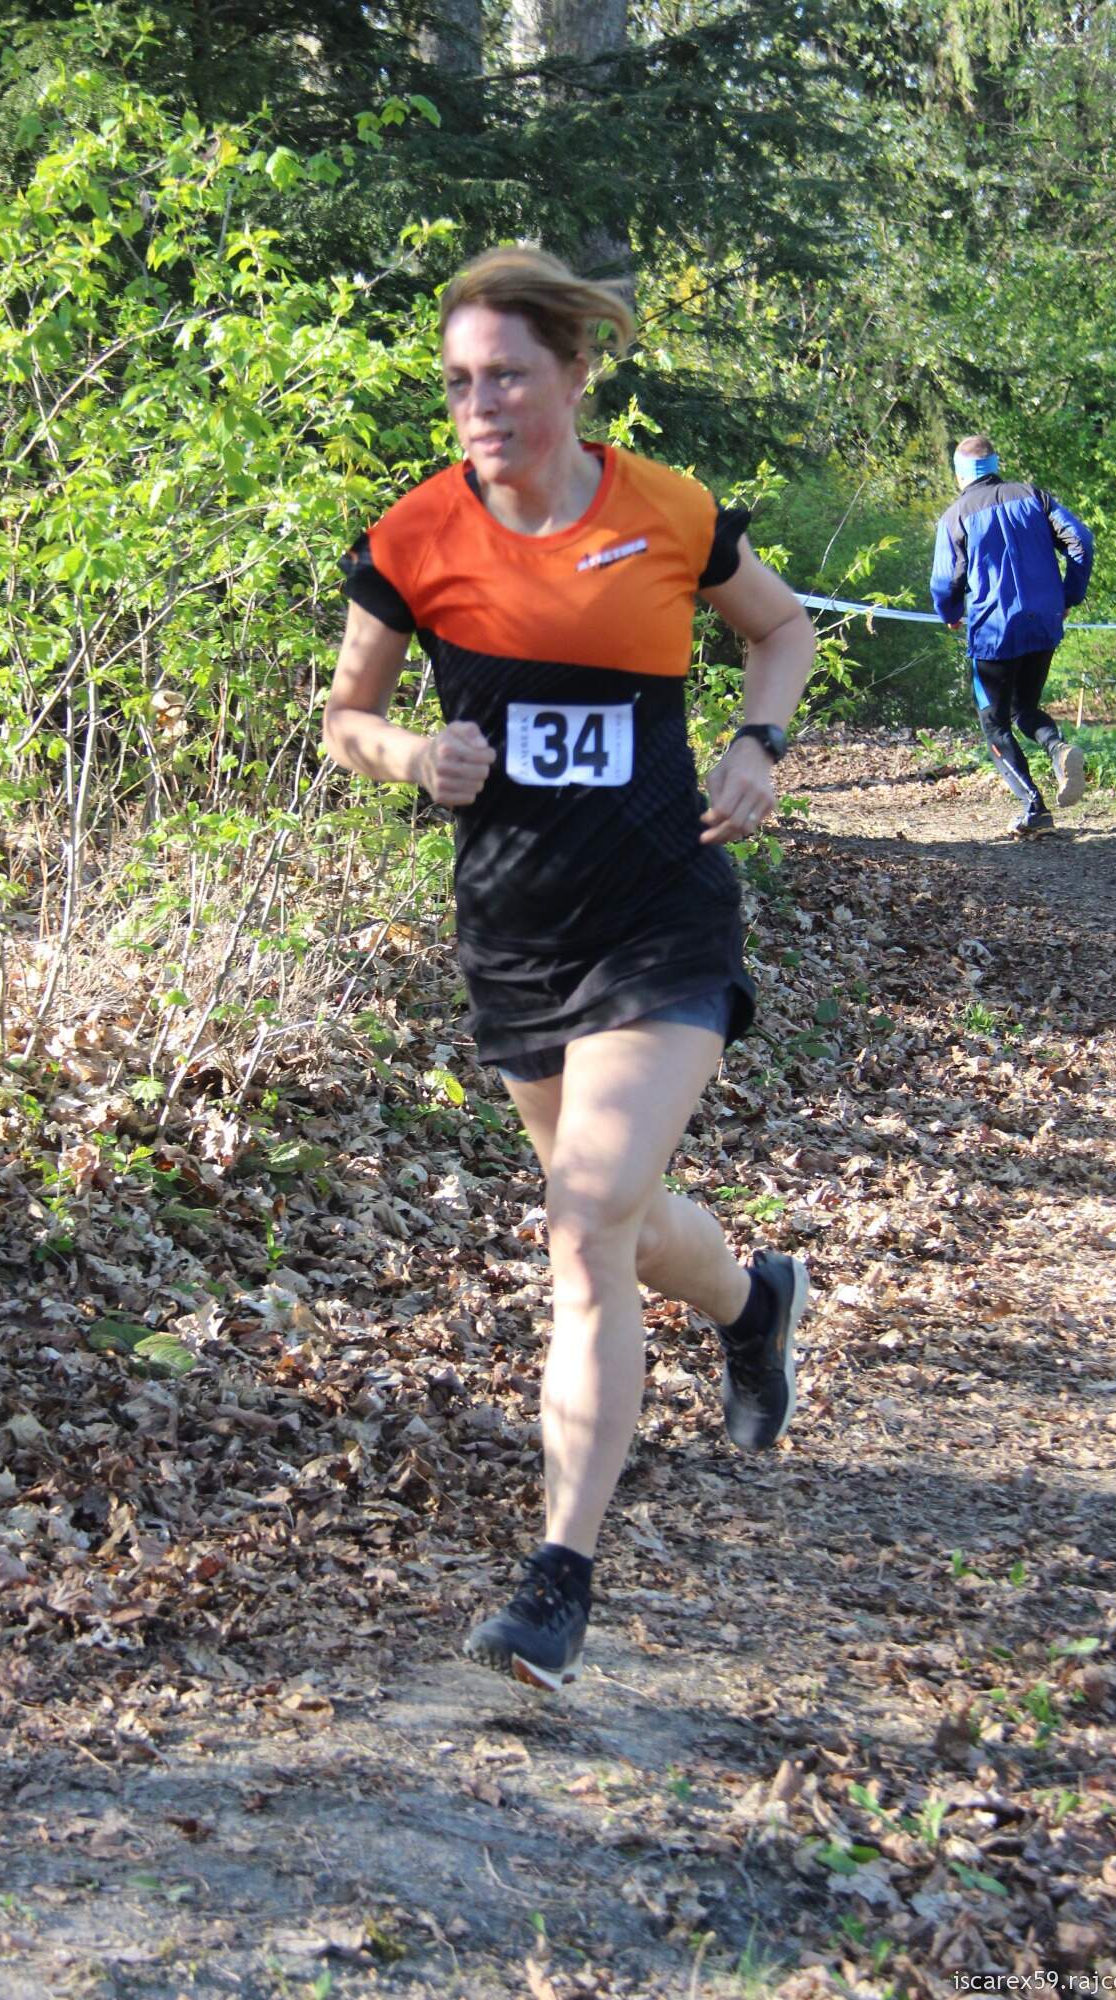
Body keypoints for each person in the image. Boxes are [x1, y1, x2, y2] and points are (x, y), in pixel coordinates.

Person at [324, 246, 816, 1691]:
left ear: (574, 375)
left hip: (660, 914)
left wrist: (757, 741)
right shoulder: (414, 535)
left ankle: (558, 1575)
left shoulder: (665, 510)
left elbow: (781, 628)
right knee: (622, 1217)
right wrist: (412, 753)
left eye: (506, 377)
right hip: (515, 935)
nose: (478, 406)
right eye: (457, 382)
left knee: (583, 1214)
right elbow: (344, 717)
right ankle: (753, 1303)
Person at [931, 433, 1094, 837]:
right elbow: (1081, 540)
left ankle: (1034, 808)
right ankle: (1058, 748)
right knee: (1025, 708)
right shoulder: (1034, 496)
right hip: (1043, 623)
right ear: (995, 465)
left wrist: (950, 613)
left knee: (995, 726)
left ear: (960, 474)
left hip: (994, 631)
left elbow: (944, 581)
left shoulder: (955, 515)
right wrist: (1069, 595)